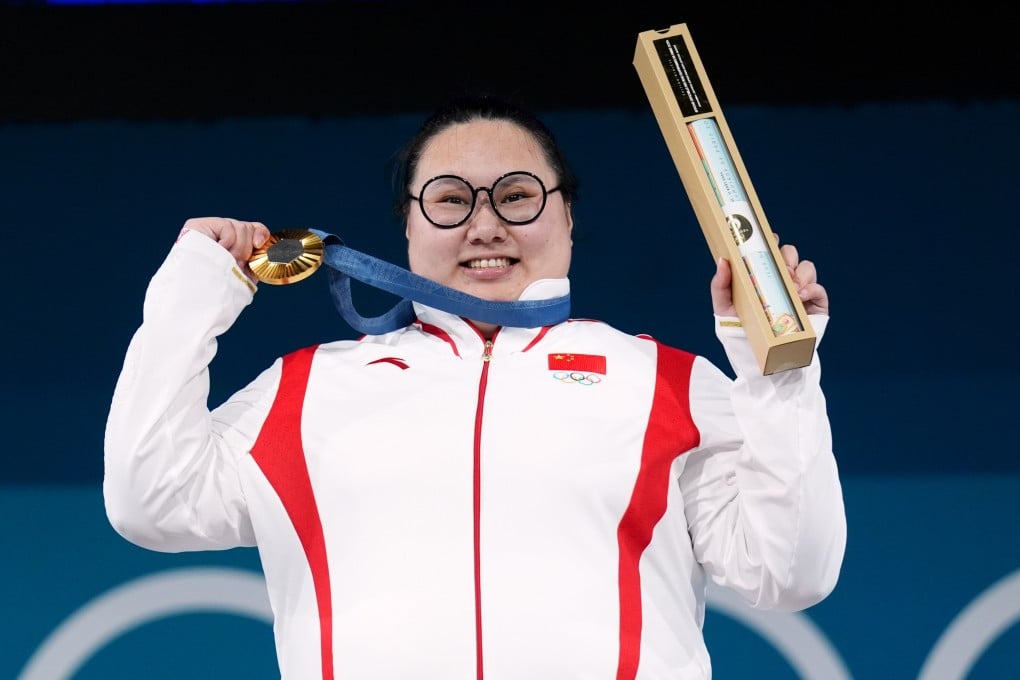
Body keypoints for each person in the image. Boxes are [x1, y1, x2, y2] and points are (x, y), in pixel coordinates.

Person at [104, 94, 846, 679]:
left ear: (567, 216)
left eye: (516, 196)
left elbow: (791, 572)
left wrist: (778, 373)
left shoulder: (666, 384)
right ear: (408, 225)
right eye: (451, 200)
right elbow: (149, 499)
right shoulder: (306, 390)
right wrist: (193, 293)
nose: (485, 226)